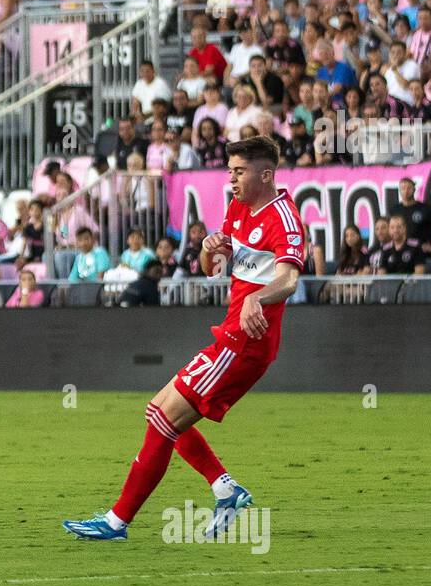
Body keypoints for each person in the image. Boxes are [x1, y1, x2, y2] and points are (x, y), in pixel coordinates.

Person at [65, 136, 302, 541]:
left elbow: (290, 277)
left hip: (246, 343)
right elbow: (213, 269)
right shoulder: (237, 207)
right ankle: (224, 490)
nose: (232, 178)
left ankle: (117, 521)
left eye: (239, 171)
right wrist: (210, 249)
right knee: (159, 412)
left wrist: (258, 299)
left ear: (265, 174)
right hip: (231, 335)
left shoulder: (283, 216)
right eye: (230, 171)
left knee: (163, 418)